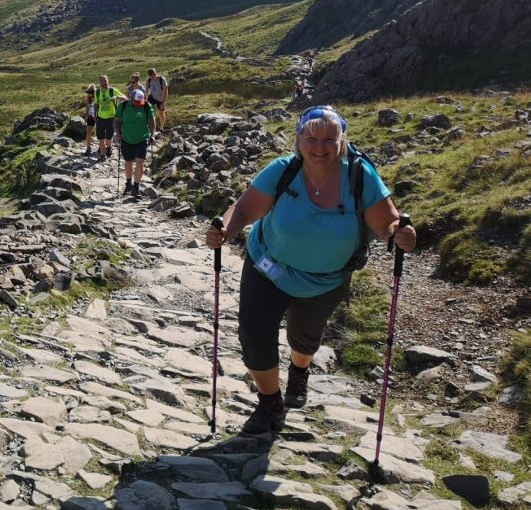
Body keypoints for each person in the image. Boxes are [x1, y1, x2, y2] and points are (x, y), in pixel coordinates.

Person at [205, 105, 416, 434]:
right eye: (311, 138)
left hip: (325, 281)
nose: (320, 147)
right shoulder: (283, 170)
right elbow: (245, 209)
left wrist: (398, 233)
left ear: (342, 141)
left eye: (329, 139)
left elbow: (386, 220)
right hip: (267, 267)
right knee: (253, 334)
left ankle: (299, 370)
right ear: (299, 140)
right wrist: (224, 230)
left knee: (305, 338)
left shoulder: (360, 176)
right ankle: (270, 403)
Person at [114, 89, 156, 198]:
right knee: (128, 162)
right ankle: (128, 184)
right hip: (126, 138)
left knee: (140, 162)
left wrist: (153, 135)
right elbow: (117, 121)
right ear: (131, 99)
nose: (138, 105)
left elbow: (151, 122)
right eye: (136, 103)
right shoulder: (122, 106)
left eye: (140, 103)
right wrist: (118, 134)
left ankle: (136, 188)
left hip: (142, 138)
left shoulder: (147, 106)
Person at [94, 75, 120, 161]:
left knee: (109, 137)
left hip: (111, 117)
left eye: (105, 80)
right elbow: (96, 104)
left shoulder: (113, 90)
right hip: (100, 117)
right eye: (102, 81)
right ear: (99, 82)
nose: (104, 82)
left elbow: (125, 98)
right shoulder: (97, 92)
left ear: (108, 81)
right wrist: (95, 114)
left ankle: (109, 147)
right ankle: (102, 154)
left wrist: (116, 97)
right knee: (101, 137)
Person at [83, 84, 96, 156]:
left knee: (99, 133)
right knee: (88, 132)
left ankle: (101, 148)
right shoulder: (88, 97)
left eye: (91, 92)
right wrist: (86, 116)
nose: (89, 94)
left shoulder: (97, 97)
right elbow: (87, 107)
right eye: (88, 92)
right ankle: (88, 148)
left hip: (98, 117)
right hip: (90, 117)